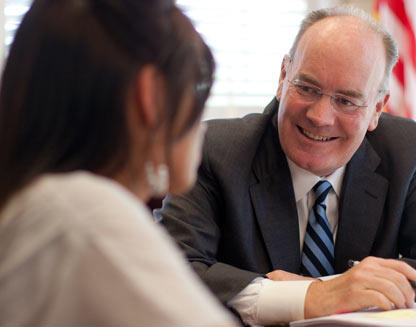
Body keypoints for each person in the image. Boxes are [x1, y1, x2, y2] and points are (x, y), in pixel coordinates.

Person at [156, 6, 416, 326]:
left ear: (377, 109)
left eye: (346, 100)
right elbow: (168, 272)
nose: (319, 116)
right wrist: (311, 297)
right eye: (307, 87)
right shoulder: (216, 150)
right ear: (284, 76)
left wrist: (345, 290)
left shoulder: (401, 149)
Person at [0, 0, 238, 326]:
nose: (203, 122)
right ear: (150, 95)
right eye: (198, 92)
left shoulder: (41, 205)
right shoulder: (84, 211)